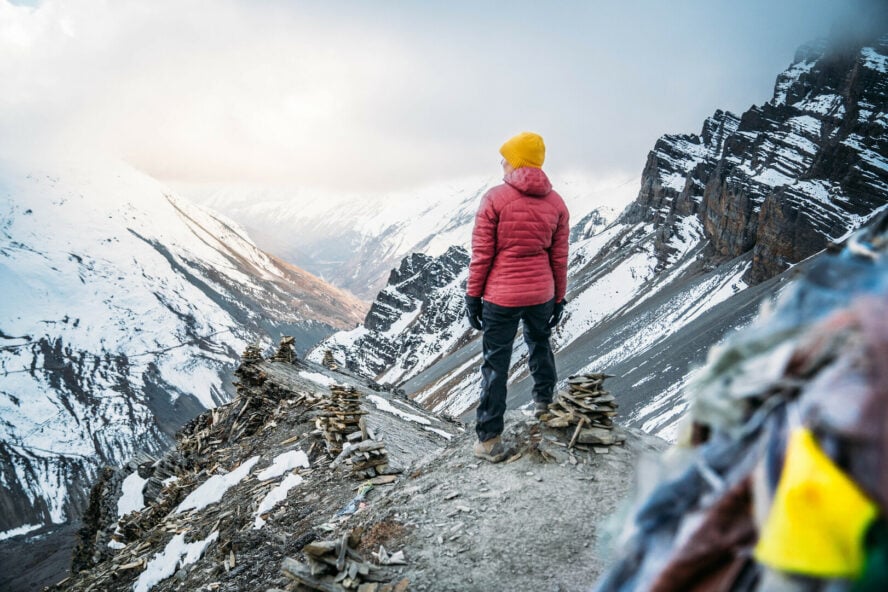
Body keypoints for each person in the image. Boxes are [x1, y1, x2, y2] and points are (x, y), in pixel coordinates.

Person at [465, 131, 570, 462]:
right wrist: (558, 298)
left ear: (517, 161)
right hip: (541, 291)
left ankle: (489, 440)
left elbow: (482, 254)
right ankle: (545, 405)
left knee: (496, 362)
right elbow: (559, 257)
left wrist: (473, 296)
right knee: (540, 344)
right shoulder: (557, 203)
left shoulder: (495, 198)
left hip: (502, 294)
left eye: (506, 156)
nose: (502, 162)